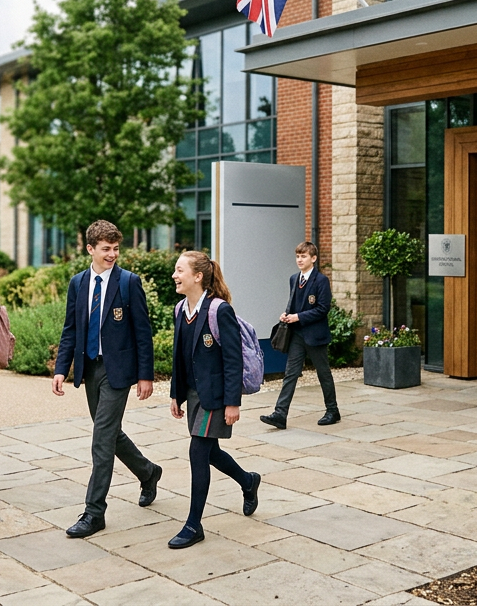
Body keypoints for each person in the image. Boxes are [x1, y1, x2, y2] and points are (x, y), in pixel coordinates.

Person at [52, 220, 162, 539]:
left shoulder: (129, 283)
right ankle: (148, 471)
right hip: (90, 369)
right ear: (90, 249)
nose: (112, 255)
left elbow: (143, 333)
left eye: (116, 249)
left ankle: (94, 512)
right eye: (106, 249)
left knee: (101, 439)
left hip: (118, 372)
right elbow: (71, 329)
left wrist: (145, 376)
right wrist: (62, 368)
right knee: (111, 434)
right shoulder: (78, 283)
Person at [167, 251, 261, 550]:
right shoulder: (180, 309)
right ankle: (248, 481)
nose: (174, 275)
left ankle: (194, 525)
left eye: (179, 270)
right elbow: (179, 358)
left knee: (198, 451)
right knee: (210, 452)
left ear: (197, 276)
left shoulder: (219, 311)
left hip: (217, 396)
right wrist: (175, 393)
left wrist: (233, 403)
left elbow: (233, 360)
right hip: (195, 394)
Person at [261, 241, 339, 429]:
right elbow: (295, 304)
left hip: (315, 335)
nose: (299, 259)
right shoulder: (294, 279)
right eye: (297, 256)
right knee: (290, 373)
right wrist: (287, 315)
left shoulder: (321, 281)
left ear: (313, 258)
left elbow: (323, 309)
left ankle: (332, 410)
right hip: (296, 334)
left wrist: (298, 317)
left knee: (323, 373)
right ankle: (280, 414)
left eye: (303, 256)